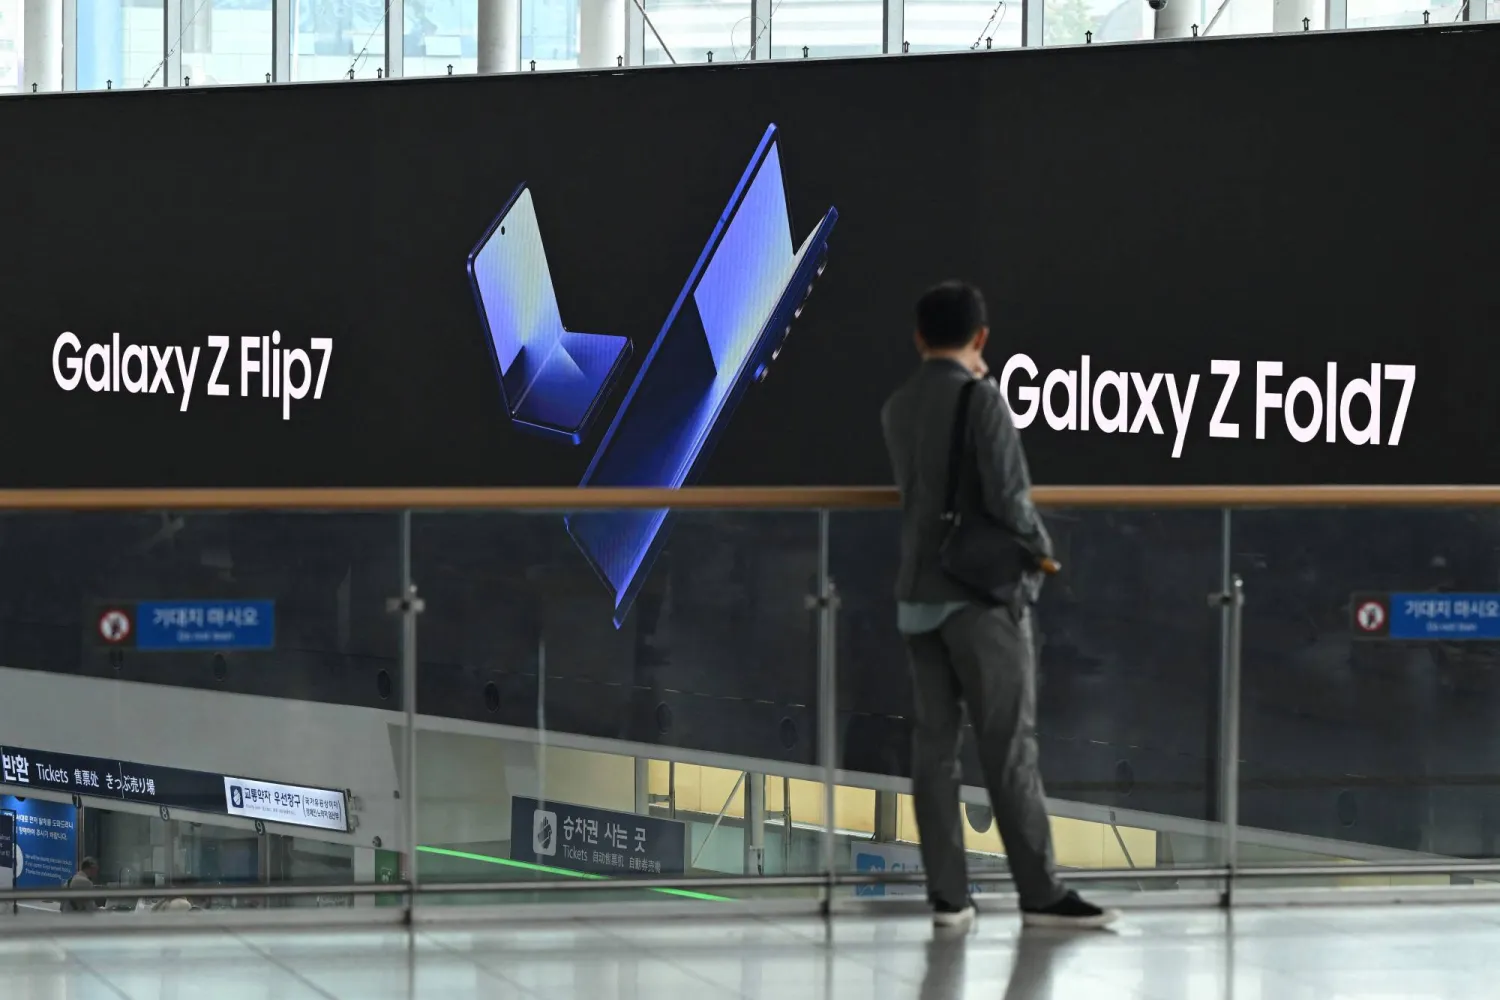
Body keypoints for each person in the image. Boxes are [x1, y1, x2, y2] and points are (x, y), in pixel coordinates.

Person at [880, 281, 1117, 932]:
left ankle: (948, 897)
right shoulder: (981, 401)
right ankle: (1040, 892)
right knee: (1008, 747)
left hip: (916, 595)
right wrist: (1042, 559)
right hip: (978, 599)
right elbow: (1011, 500)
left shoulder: (898, 406)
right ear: (981, 338)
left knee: (934, 751)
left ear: (919, 337)